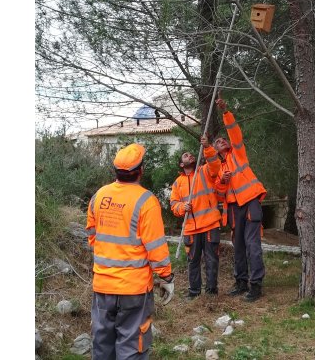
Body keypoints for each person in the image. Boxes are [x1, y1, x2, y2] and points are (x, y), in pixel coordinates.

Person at [86, 143, 175, 359]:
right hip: (134, 290)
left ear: (115, 171)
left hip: (103, 286)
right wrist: (166, 277)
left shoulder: (99, 196)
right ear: (141, 170)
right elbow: (156, 247)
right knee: (132, 345)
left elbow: (91, 236)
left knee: (102, 343)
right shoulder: (146, 201)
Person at [213, 96, 267, 302]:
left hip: (250, 202)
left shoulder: (238, 153)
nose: (222, 141)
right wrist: (224, 182)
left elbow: (234, 132)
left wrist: (225, 112)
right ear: (216, 151)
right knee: (239, 246)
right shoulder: (220, 169)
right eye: (218, 142)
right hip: (235, 209)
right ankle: (241, 281)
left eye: (222, 140)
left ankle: (256, 285)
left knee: (252, 244)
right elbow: (218, 194)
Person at [169, 134, 226, 298]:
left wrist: (208, 147)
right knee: (193, 261)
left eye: (191, 154)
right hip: (191, 229)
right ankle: (194, 292)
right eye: (185, 155)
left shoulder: (205, 171)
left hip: (210, 224)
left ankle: (211, 292)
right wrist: (182, 207)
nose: (190, 155)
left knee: (211, 260)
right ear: (182, 164)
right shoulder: (177, 183)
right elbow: (173, 204)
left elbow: (215, 165)